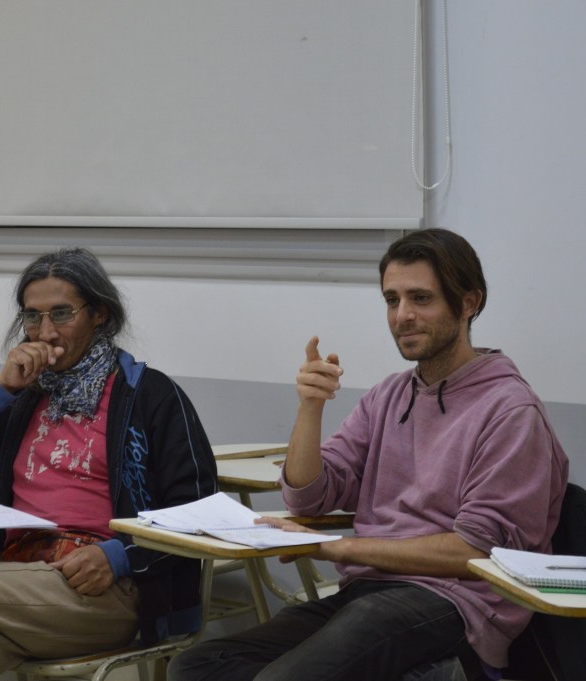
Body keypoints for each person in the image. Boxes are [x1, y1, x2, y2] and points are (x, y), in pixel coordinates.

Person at [168, 228, 569, 681]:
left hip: (456, 603)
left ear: (468, 302)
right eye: (392, 300)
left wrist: (334, 546)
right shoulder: (389, 396)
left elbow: (475, 550)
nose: (403, 315)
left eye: (421, 298)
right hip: (369, 589)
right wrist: (310, 407)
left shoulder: (511, 410)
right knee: (197, 665)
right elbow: (306, 497)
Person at [0, 247, 218, 681]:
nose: (46, 332)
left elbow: (198, 511)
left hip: (104, 587)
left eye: (61, 314)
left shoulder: (149, 395)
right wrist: (1, 390)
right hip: (15, 575)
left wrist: (119, 556)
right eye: (33, 317)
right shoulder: (25, 395)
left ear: (100, 315)